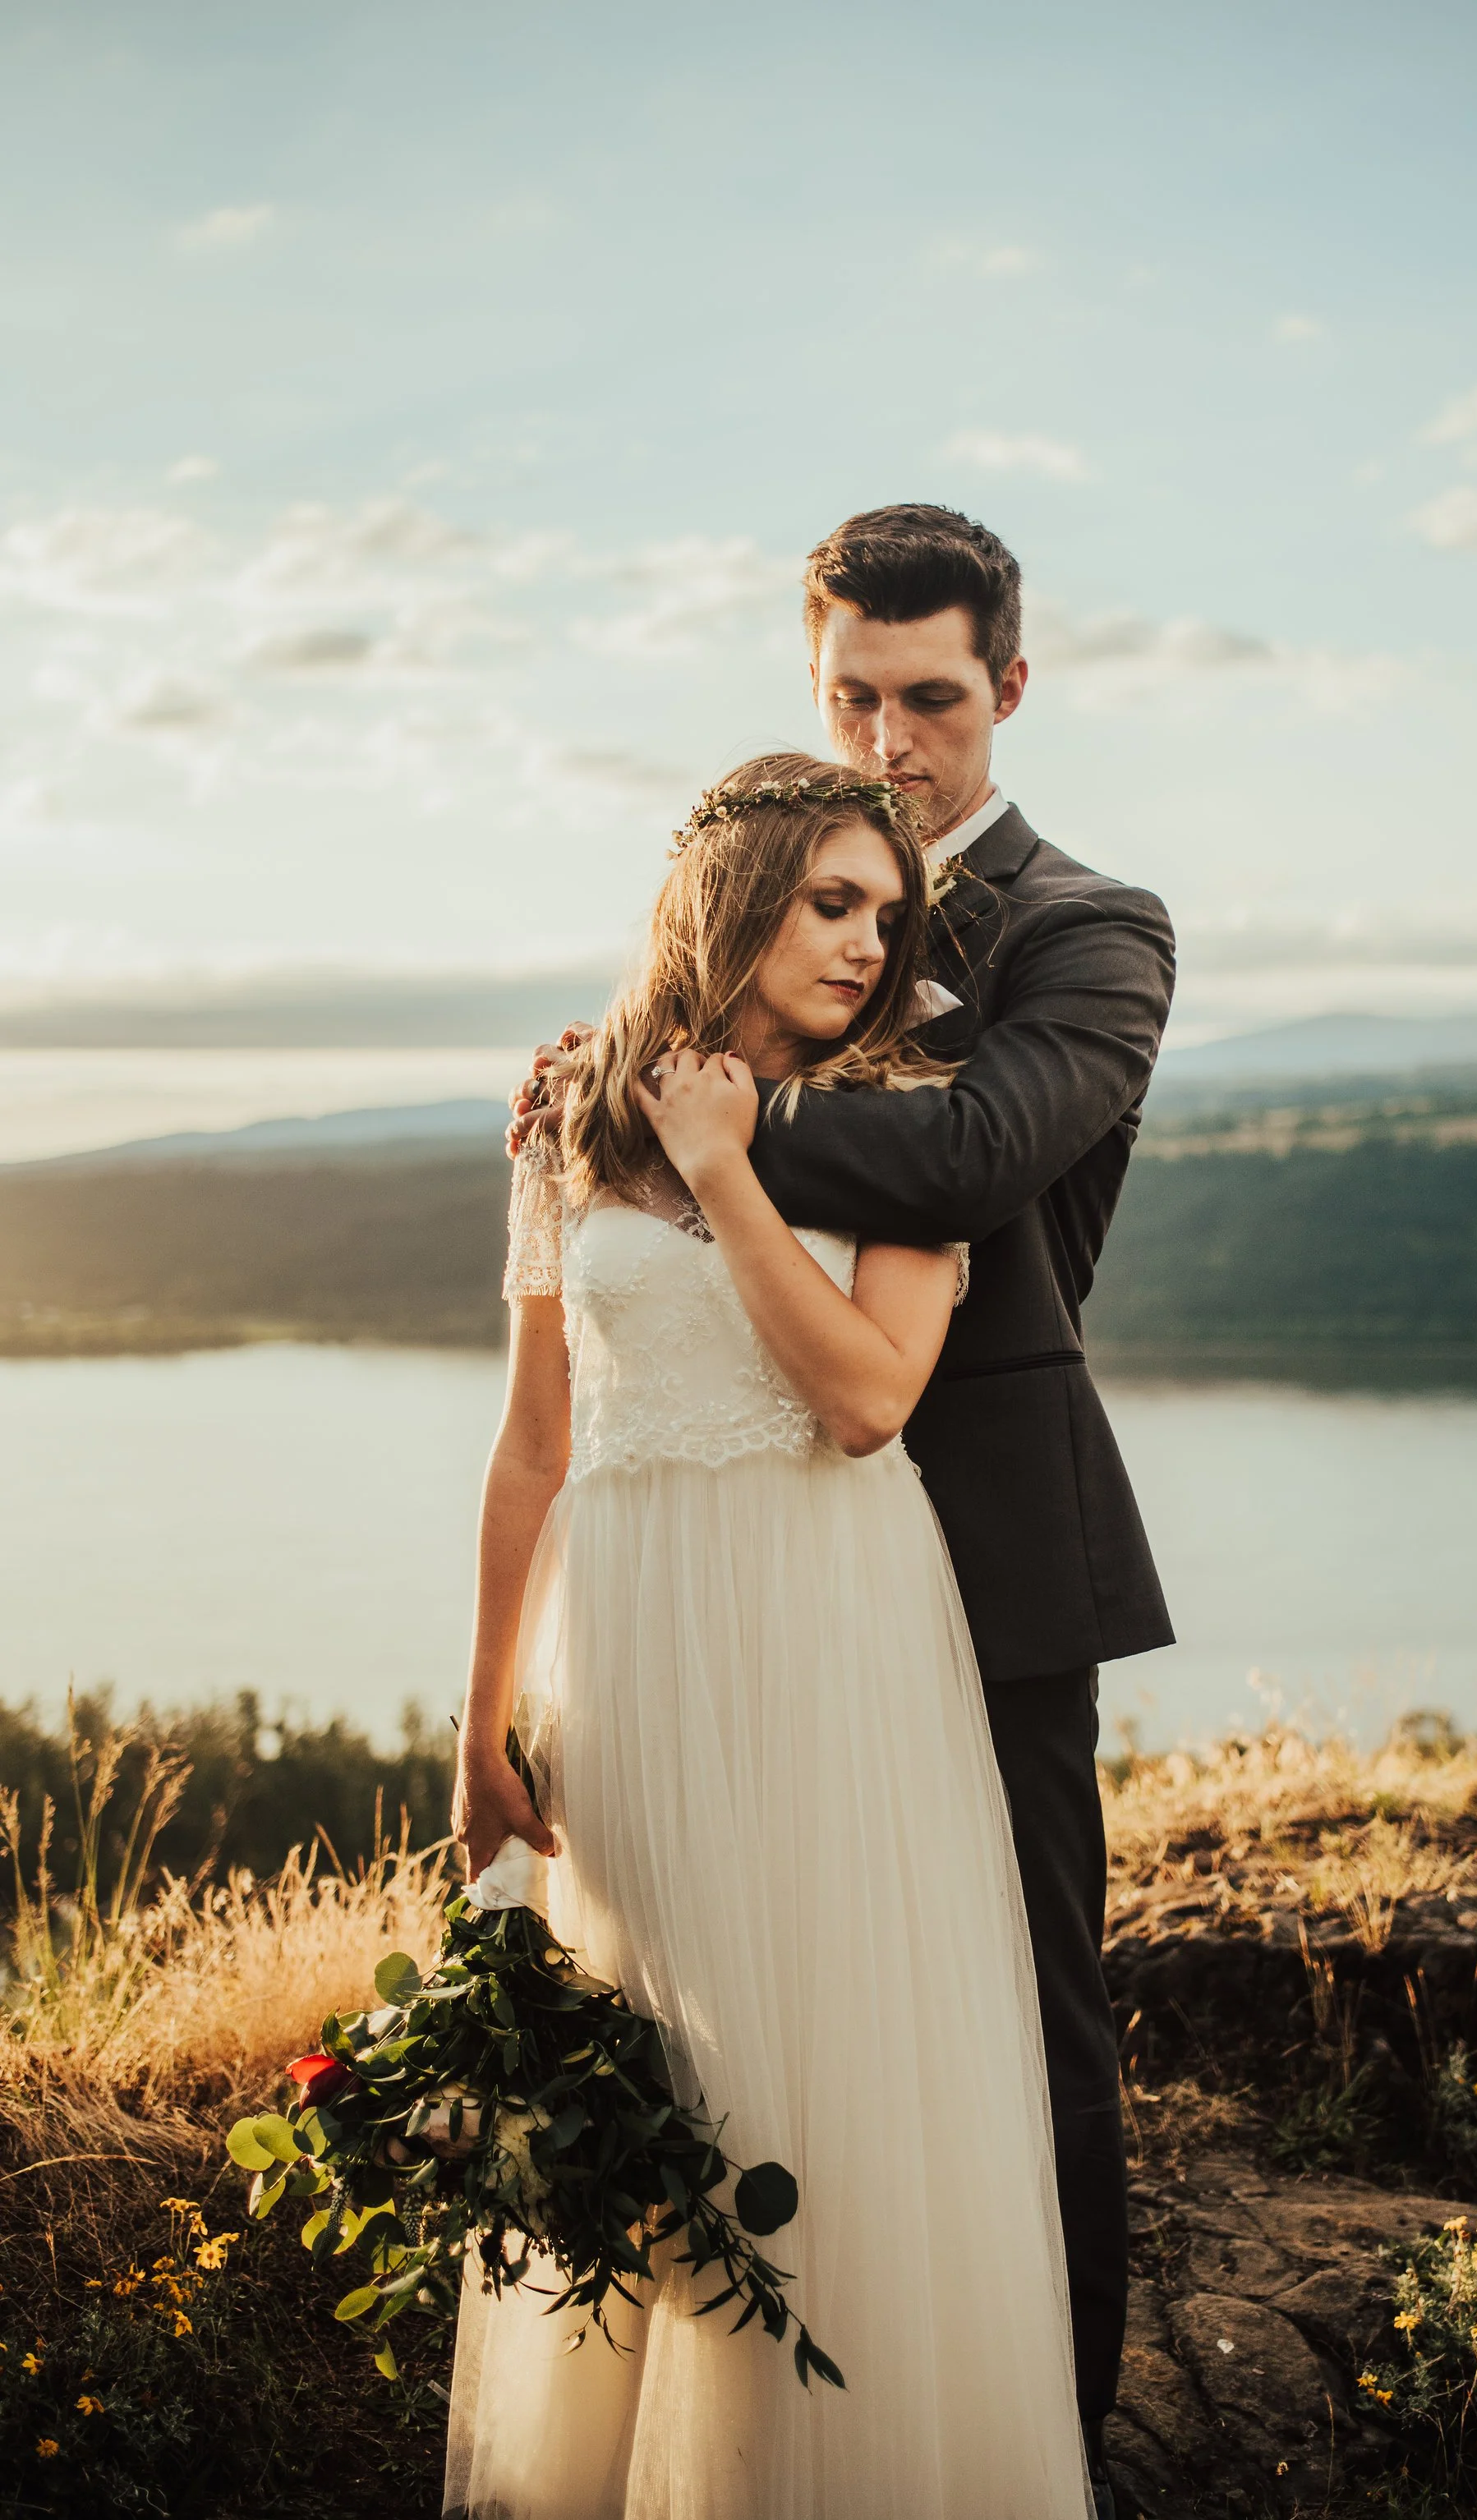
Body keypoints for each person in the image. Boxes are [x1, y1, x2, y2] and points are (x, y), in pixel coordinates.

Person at [513, 505, 1176, 2517]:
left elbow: (977, 1146)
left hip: (977, 1526)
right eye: (852, 698)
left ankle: (1023, 2443)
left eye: (933, 700)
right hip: (747, 1556)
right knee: (749, 2006)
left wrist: (666, 1098)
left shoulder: (1090, 922)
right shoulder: (776, 888)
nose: (891, 740)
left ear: (1010, 691)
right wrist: (634, 1077)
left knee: (1009, 2021)